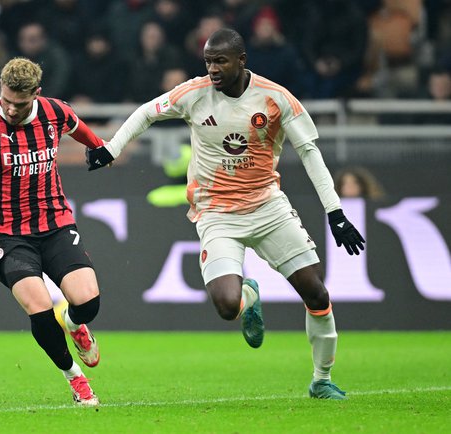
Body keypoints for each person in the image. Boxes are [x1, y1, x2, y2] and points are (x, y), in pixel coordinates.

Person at [86, 28, 365, 400]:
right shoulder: (194, 94)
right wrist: (111, 148)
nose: (213, 69)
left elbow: (310, 153)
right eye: (208, 62)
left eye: (220, 61)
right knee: (226, 305)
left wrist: (336, 213)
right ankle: (249, 295)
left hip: (267, 206)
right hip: (215, 211)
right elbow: (146, 112)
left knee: (315, 292)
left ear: (241, 61)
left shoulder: (275, 99)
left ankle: (322, 379)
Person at [0, 57, 103, 406]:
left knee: (88, 300)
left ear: (36, 94)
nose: (12, 109)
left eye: (20, 103)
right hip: (5, 232)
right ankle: (75, 379)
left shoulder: (54, 111)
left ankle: (75, 322)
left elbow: (82, 130)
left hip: (55, 222)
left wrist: (99, 147)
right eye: (6, 101)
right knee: (38, 304)